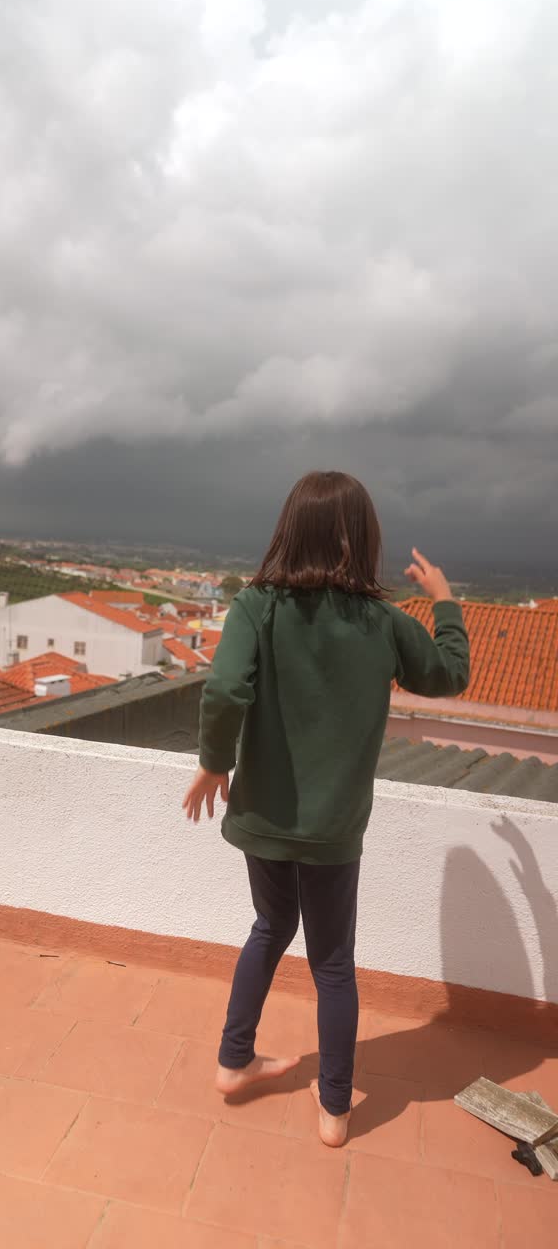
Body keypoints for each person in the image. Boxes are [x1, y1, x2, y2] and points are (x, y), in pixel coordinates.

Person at [182, 471, 470, 1147]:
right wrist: (445, 599)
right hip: (334, 830)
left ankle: (233, 1060)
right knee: (333, 963)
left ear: (288, 530)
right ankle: (335, 1109)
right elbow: (450, 674)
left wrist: (215, 762)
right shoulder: (384, 624)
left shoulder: (256, 606)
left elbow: (224, 689)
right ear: (362, 540)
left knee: (269, 926)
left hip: (263, 817)